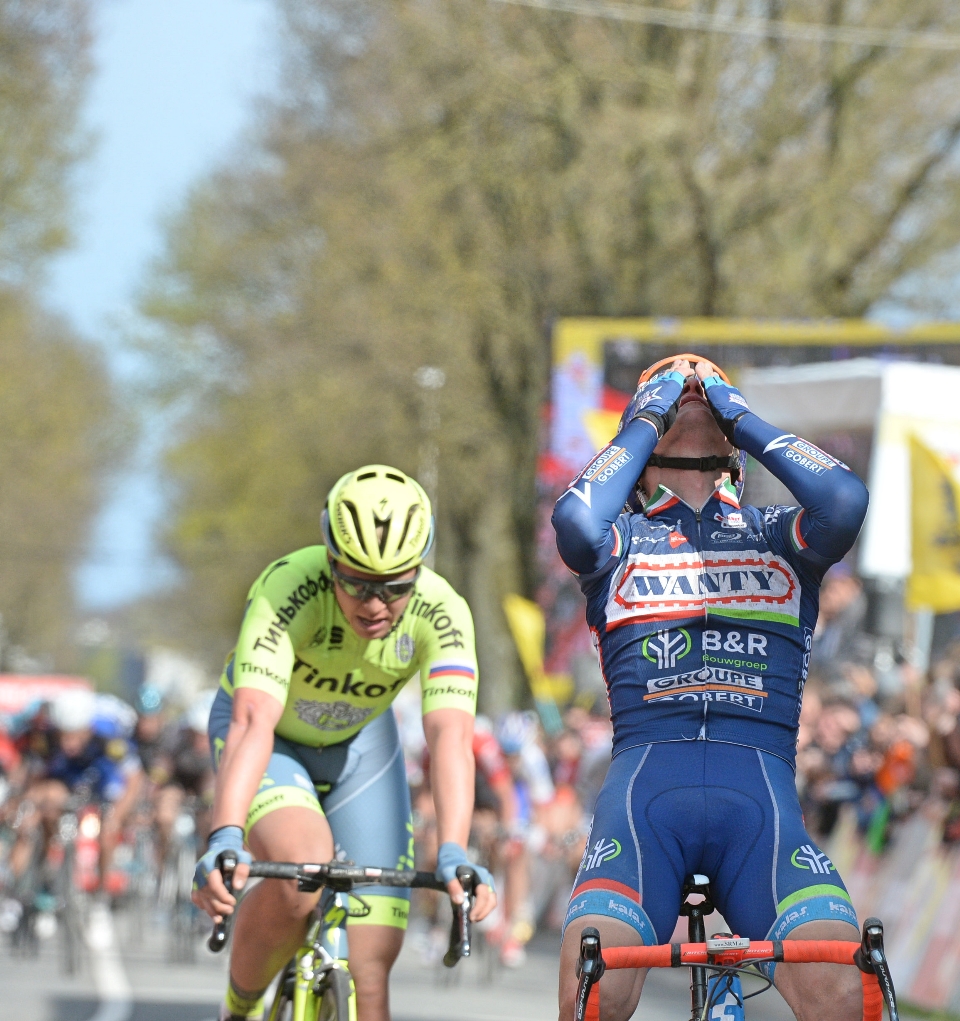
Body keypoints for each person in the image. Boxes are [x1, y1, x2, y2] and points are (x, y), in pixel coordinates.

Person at [551, 355, 869, 1021]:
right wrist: (649, 415)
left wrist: (740, 416)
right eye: (675, 392)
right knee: (594, 993)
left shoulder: (779, 536)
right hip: (643, 812)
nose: (691, 388)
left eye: (705, 388)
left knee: (845, 992)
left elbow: (844, 499)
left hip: (762, 815)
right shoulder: (620, 541)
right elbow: (575, 521)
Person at [189, 466, 497, 1021]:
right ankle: (240, 1008)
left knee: (370, 970)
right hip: (273, 739)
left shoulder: (444, 610)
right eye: (355, 582)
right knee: (301, 870)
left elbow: (450, 736)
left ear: (419, 571)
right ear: (330, 561)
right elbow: (253, 720)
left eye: (395, 587)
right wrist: (226, 833)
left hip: (362, 748)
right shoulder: (289, 585)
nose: (375, 604)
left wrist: (454, 849)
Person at [7, 688, 144, 893]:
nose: (67, 744)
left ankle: (101, 890)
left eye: (74, 736)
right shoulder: (47, 738)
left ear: (88, 729)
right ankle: (38, 873)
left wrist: (116, 816)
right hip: (68, 780)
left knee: (108, 830)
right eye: (63, 735)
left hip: (103, 781)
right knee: (41, 806)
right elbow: (35, 779)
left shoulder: (110, 738)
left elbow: (135, 780)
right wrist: (24, 806)